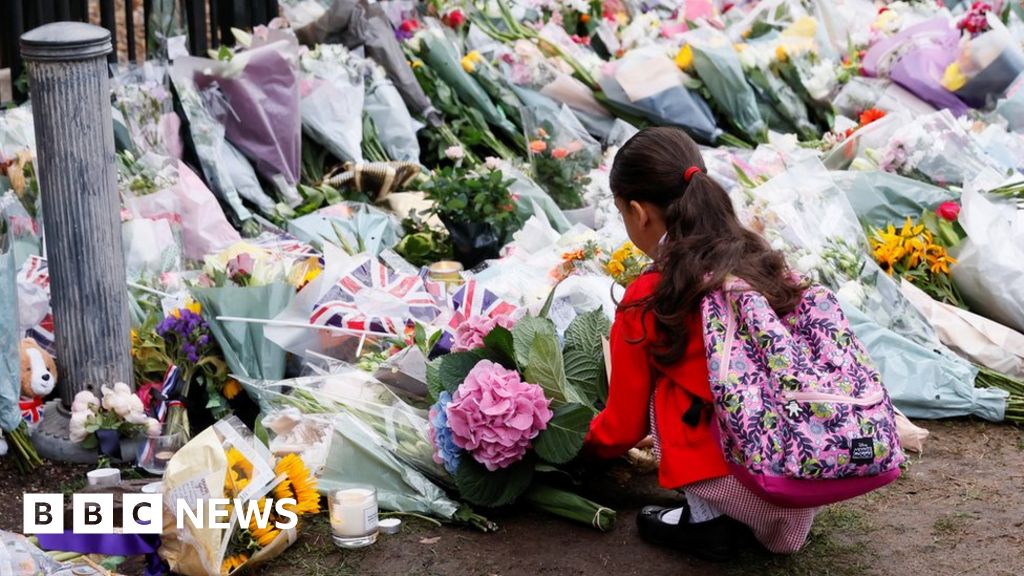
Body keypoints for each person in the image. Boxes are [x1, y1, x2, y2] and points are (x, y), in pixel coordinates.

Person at [583, 126, 817, 560]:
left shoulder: (654, 291)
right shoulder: (759, 259)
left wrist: (579, 448)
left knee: (666, 393)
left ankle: (708, 517)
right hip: (801, 466)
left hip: (736, 476)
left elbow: (624, 425)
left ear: (638, 212)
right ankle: (761, 520)